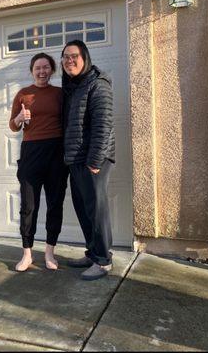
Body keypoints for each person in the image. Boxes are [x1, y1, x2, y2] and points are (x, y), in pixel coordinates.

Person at [61, 40, 115, 281]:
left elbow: (103, 126)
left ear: (85, 58)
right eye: (64, 57)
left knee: (96, 210)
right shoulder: (74, 86)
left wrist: (94, 161)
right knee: (83, 209)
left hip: (93, 160)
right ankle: (93, 253)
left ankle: (104, 261)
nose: (68, 61)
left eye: (73, 56)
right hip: (76, 159)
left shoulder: (97, 84)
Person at [9, 52, 69, 272]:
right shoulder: (23, 94)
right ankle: (27, 254)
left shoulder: (60, 94)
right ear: (32, 71)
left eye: (46, 67)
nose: (42, 71)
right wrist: (18, 119)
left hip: (56, 151)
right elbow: (13, 126)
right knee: (28, 206)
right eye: (38, 68)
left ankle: (49, 253)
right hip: (31, 152)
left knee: (55, 204)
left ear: (52, 70)